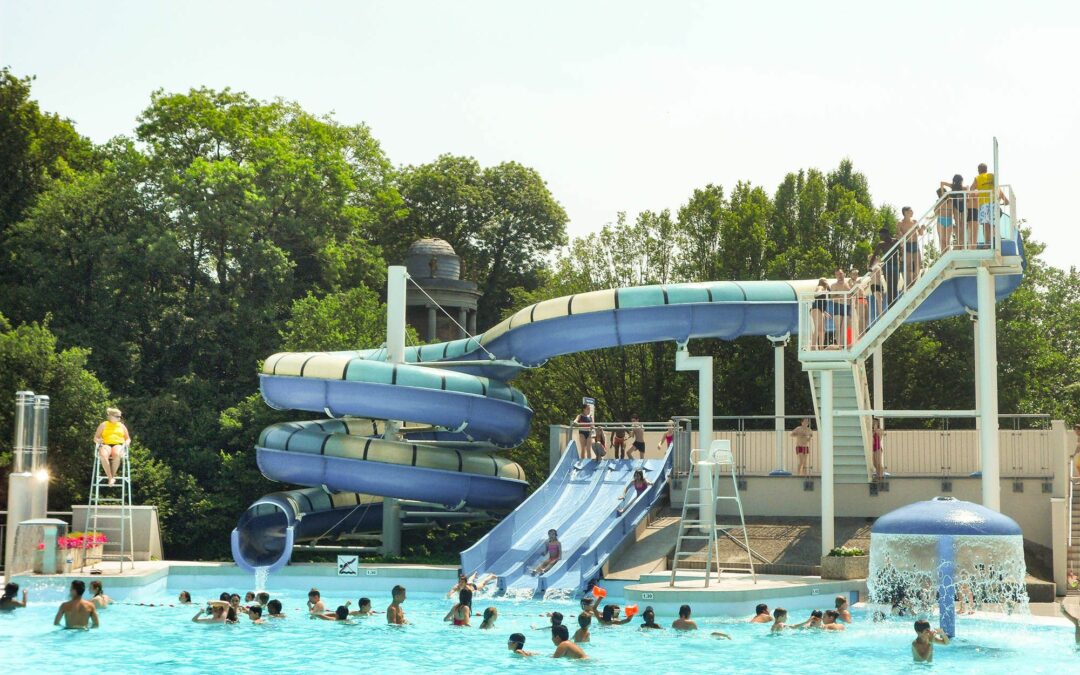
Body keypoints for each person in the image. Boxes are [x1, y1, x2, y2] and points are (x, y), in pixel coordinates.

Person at [970, 163, 1009, 249]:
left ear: (978, 170)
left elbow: (971, 189)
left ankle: (987, 243)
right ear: (986, 169)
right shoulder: (992, 176)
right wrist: (1005, 199)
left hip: (984, 202)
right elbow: (998, 189)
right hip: (994, 202)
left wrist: (975, 194)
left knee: (986, 224)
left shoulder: (978, 178)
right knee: (993, 223)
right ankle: (996, 241)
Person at [93, 407, 130, 486]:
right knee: (103, 455)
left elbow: (128, 438)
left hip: (118, 444)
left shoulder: (121, 426)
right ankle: (110, 478)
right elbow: (95, 437)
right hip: (106, 444)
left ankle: (112, 477)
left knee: (117, 454)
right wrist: (98, 440)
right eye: (117, 416)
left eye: (120, 416)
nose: (119, 418)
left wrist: (127, 443)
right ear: (111, 416)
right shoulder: (103, 425)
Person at [896, 206, 921, 284]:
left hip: (915, 244)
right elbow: (897, 234)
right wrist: (902, 237)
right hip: (907, 245)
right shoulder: (900, 223)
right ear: (905, 212)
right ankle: (910, 282)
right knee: (908, 266)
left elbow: (920, 233)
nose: (912, 212)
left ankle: (915, 280)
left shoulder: (915, 221)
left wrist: (922, 228)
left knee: (918, 264)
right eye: (911, 211)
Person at [830, 269, 851, 348]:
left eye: (841, 274)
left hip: (847, 306)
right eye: (837, 274)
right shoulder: (834, 285)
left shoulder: (848, 284)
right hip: (838, 306)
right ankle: (839, 346)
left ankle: (846, 344)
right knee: (838, 327)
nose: (840, 276)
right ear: (835, 276)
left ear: (844, 274)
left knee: (846, 327)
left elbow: (852, 295)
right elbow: (832, 298)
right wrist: (843, 296)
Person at [810, 278, 832, 350]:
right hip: (816, 309)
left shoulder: (825, 289)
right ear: (822, 282)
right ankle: (813, 347)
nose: (826, 281)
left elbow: (820, 302)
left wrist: (825, 312)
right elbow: (816, 295)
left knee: (822, 330)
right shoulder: (820, 287)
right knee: (816, 329)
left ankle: (821, 347)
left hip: (820, 310)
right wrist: (823, 292)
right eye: (825, 280)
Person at [867, 254, 886, 324]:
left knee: (881, 300)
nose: (873, 259)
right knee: (879, 298)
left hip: (880, 284)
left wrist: (879, 261)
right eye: (871, 258)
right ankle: (881, 316)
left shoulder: (878, 265)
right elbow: (870, 271)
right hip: (874, 284)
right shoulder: (870, 266)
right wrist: (877, 262)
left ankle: (881, 313)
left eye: (874, 258)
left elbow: (884, 263)